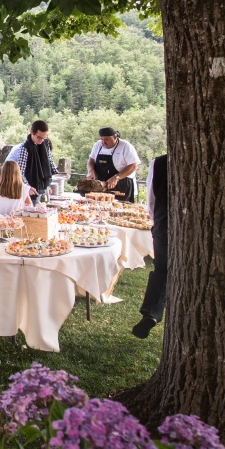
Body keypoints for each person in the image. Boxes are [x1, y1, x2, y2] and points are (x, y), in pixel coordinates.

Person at [133, 154, 168, 339]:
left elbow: (151, 198)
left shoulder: (159, 163)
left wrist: (157, 221)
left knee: (162, 270)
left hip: (164, 224)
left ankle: (152, 314)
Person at [5, 120, 58, 201]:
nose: (41, 141)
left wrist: (48, 184)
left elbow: (50, 163)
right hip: (29, 188)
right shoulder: (24, 148)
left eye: (43, 138)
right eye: (39, 137)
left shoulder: (45, 144)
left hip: (42, 187)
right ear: (31, 132)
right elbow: (20, 172)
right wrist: (28, 187)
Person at [87, 127, 141, 203]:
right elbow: (91, 160)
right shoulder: (98, 145)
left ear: (115, 137)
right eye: (101, 139)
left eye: (106, 139)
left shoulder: (125, 146)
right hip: (100, 185)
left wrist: (116, 177)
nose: (103, 142)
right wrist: (90, 171)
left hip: (122, 184)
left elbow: (133, 166)